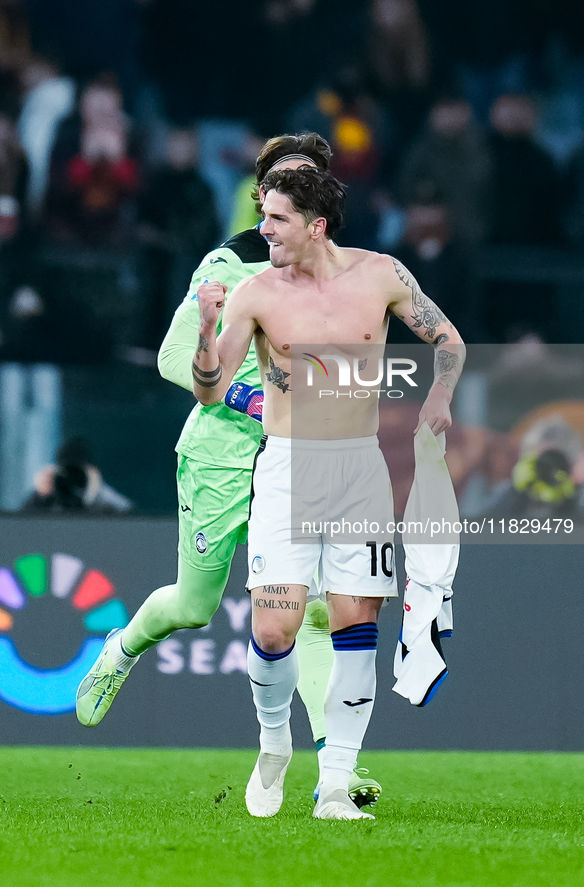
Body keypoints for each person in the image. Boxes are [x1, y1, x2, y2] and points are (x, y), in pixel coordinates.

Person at [75, 132, 381, 808]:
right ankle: (118, 649)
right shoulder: (231, 260)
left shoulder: (345, 274)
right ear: (262, 193)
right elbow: (171, 357)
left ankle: (337, 769)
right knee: (193, 605)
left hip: (302, 461)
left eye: (307, 178)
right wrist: (249, 397)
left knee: (313, 614)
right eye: (282, 179)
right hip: (220, 452)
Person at [194, 166, 464, 819]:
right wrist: (206, 329)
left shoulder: (381, 275)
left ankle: (336, 787)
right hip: (287, 469)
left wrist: (438, 391)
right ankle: (272, 743)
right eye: (263, 215)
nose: (263, 229)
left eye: (276, 218)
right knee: (275, 625)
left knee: (353, 626)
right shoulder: (255, 293)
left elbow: (447, 340)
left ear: (315, 225)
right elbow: (209, 388)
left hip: (359, 472)